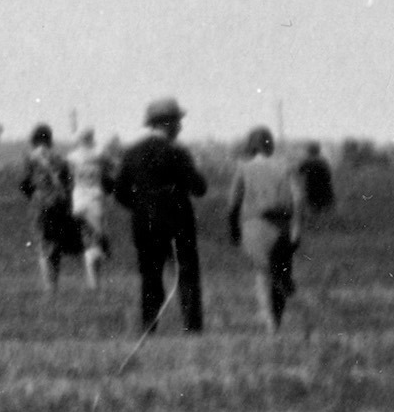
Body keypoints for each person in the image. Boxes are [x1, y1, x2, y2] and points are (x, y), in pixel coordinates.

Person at [110, 100, 209, 335]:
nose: (181, 127)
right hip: (178, 221)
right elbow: (199, 188)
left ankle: (148, 327)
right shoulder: (178, 152)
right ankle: (192, 328)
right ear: (168, 123)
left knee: (150, 277)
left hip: (145, 222)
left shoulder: (132, 153)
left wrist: (141, 206)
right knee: (186, 276)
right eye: (178, 122)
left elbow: (119, 192)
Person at [229, 128, 312, 331]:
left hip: (255, 225)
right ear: (270, 145)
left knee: (262, 272)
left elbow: (233, 203)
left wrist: (233, 230)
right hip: (283, 225)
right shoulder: (286, 166)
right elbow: (299, 198)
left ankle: (269, 322)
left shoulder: (244, 168)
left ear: (250, 146)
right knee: (281, 267)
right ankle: (277, 317)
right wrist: (297, 227)